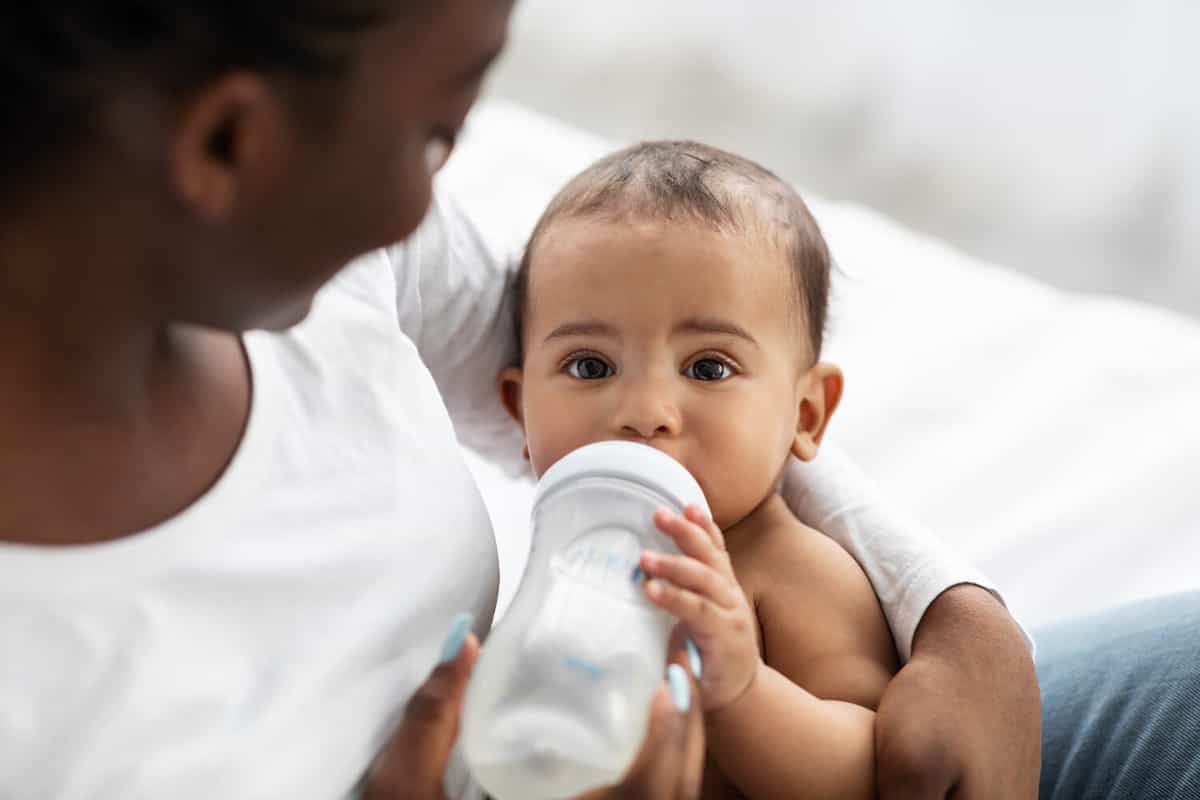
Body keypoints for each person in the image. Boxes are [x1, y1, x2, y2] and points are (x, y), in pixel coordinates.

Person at [4, 1, 1187, 798]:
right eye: (434, 137)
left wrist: (958, 613)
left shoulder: (337, 266)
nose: (436, 211)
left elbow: (650, 410)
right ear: (228, 143)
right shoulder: (51, 689)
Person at [496, 140, 898, 799]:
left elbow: (869, 775)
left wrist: (743, 685)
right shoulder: (565, 557)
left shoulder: (794, 571)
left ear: (805, 415)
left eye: (709, 367)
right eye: (590, 366)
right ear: (519, 410)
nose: (645, 412)